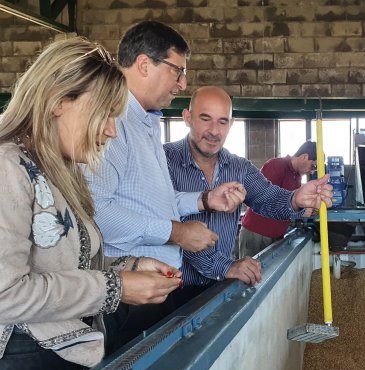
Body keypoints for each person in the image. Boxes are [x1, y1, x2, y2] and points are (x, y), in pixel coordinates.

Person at [0, 38, 182, 370]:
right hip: (21, 366)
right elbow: (5, 295)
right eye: (104, 115)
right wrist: (116, 288)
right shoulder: (8, 168)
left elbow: (76, 262)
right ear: (58, 101)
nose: (112, 131)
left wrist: (131, 265)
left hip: (65, 354)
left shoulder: (60, 173)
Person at [84, 21, 244, 351]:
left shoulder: (145, 123)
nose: (182, 83)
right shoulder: (111, 122)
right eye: (177, 71)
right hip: (127, 295)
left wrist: (203, 200)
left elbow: (152, 200)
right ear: (144, 64)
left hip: (155, 289)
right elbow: (96, 212)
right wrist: (176, 232)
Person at [164, 86, 333, 300]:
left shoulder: (239, 167)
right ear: (187, 117)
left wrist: (295, 199)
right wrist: (225, 266)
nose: (214, 131)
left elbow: (267, 197)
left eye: (223, 121)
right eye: (205, 119)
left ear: (231, 124)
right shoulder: (163, 160)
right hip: (166, 290)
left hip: (216, 289)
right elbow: (165, 224)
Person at [239, 141, 318, 258]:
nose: (312, 171)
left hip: (276, 235)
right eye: (313, 166)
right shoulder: (277, 166)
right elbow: (263, 199)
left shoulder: (297, 178)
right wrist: (300, 210)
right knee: (249, 274)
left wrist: (303, 208)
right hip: (257, 233)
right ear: (304, 157)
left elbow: (288, 208)